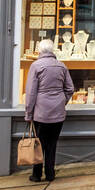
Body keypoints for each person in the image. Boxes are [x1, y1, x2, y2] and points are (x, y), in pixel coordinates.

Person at [22, 39, 74, 182]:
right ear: (52, 51)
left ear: (40, 50)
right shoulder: (61, 66)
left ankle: (37, 175)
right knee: (52, 144)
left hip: (41, 112)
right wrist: (62, 101)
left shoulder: (36, 66)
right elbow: (70, 88)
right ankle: (50, 174)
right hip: (58, 112)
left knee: (39, 144)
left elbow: (31, 93)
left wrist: (28, 113)